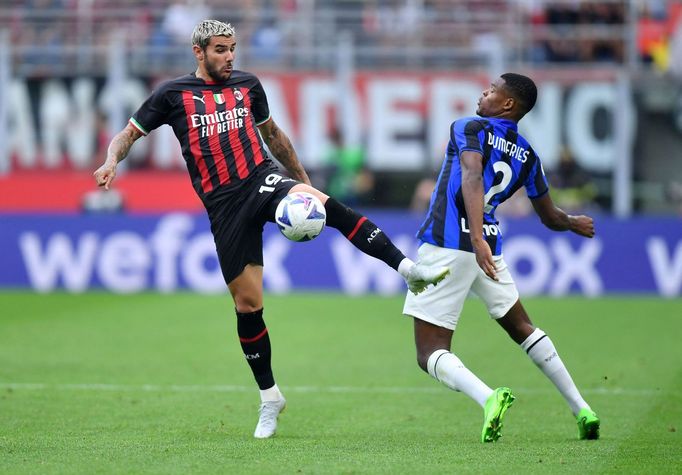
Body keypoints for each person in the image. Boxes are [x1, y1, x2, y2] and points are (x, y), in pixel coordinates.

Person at [93, 19, 448, 439]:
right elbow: (128, 134)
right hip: (224, 207)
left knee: (327, 207)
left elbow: (274, 136)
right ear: (199, 52)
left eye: (233, 48)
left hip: (260, 179)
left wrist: (303, 181)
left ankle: (409, 270)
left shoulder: (248, 85)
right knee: (248, 306)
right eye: (221, 49)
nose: (229, 56)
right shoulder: (172, 95)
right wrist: (112, 160)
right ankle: (270, 398)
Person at [403, 73, 600, 443]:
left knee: (429, 351)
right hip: (490, 251)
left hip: (449, 245)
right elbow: (549, 216)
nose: (484, 92)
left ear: (508, 103)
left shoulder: (468, 127)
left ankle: (488, 397)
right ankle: (582, 408)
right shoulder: (528, 156)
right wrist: (573, 222)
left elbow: (472, 175)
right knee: (524, 329)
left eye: (493, 89)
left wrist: (474, 237)